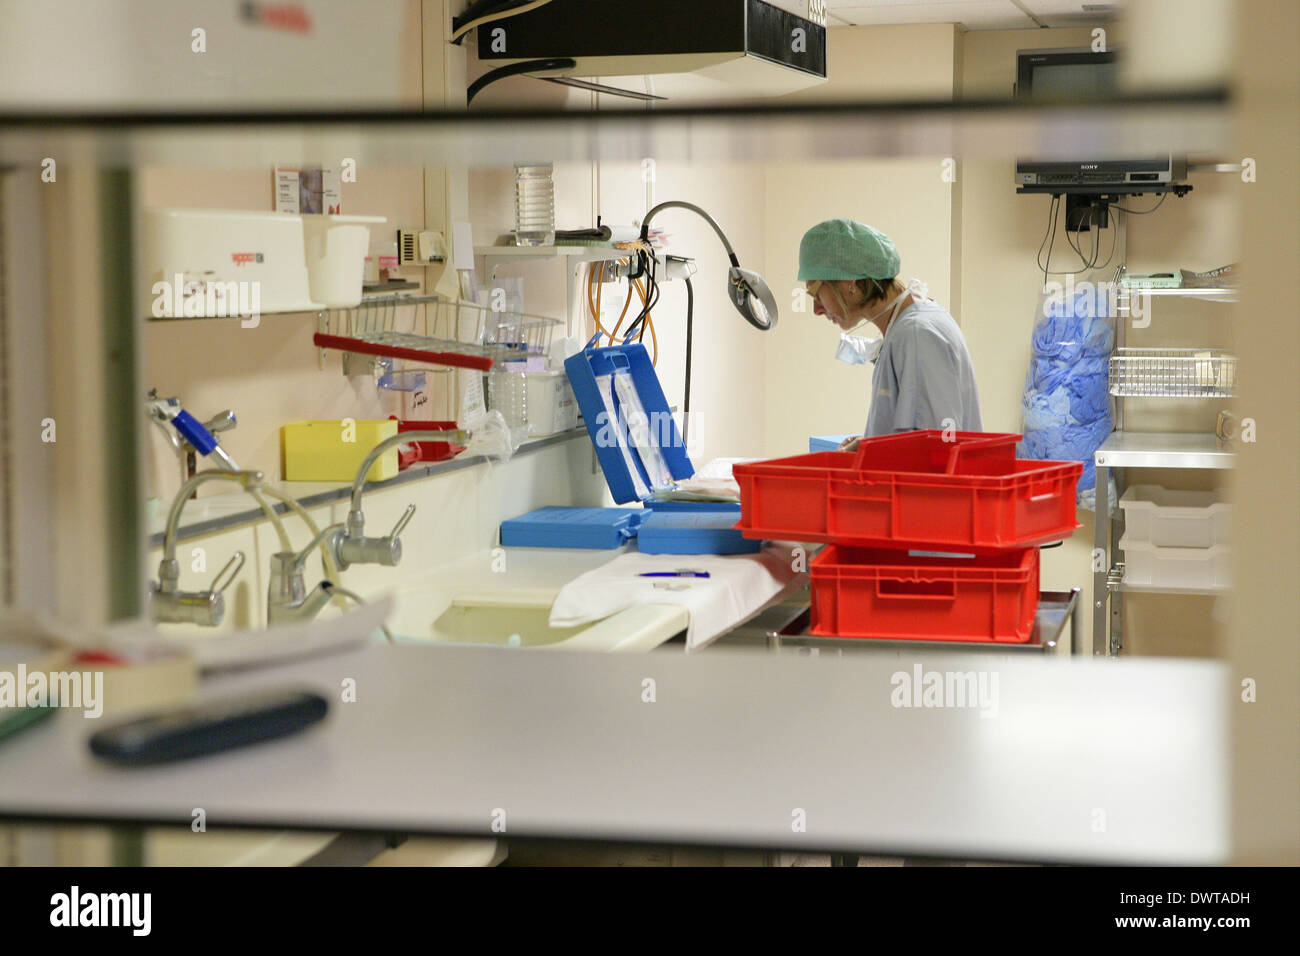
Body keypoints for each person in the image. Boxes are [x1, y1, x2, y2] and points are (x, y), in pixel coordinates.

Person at [799, 218, 982, 452]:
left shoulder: (917, 335)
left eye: (816, 293)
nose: (817, 309)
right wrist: (867, 445)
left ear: (849, 284)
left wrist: (868, 454)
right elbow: (913, 435)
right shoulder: (906, 328)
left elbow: (935, 452)